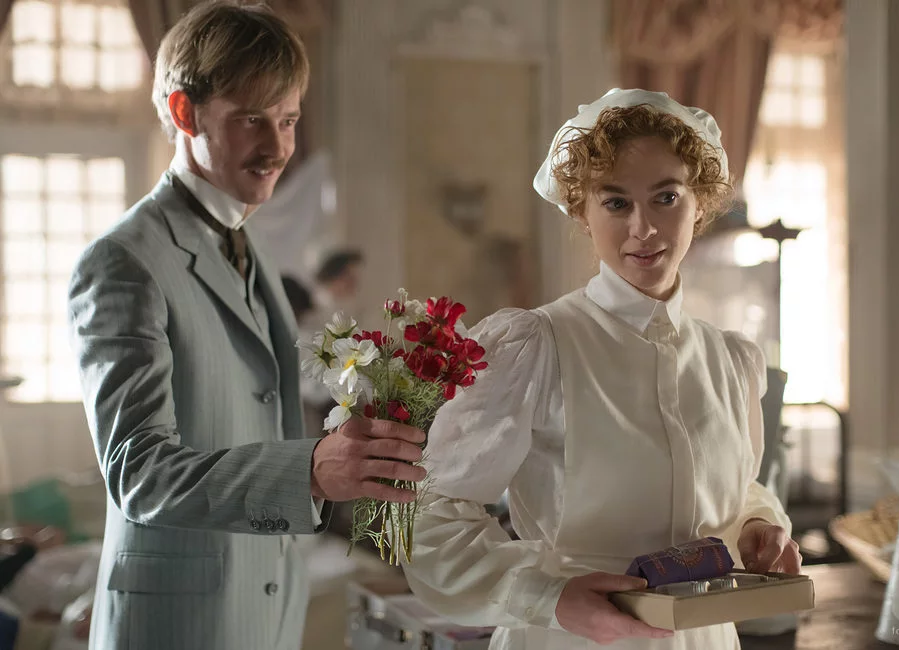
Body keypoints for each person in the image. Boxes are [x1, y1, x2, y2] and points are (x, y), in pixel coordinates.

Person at [66, 3, 425, 649]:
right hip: (175, 628)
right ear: (184, 112)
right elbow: (139, 474)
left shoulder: (250, 245)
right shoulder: (123, 262)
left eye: (288, 120)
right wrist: (309, 471)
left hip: (270, 613)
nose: (279, 147)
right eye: (251, 119)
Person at [400, 89, 802, 650]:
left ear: (700, 204)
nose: (643, 227)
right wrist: (548, 597)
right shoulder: (535, 347)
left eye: (666, 197)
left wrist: (757, 525)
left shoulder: (733, 361)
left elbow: (737, 491)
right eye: (615, 203)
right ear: (581, 213)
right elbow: (429, 513)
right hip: (569, 638)